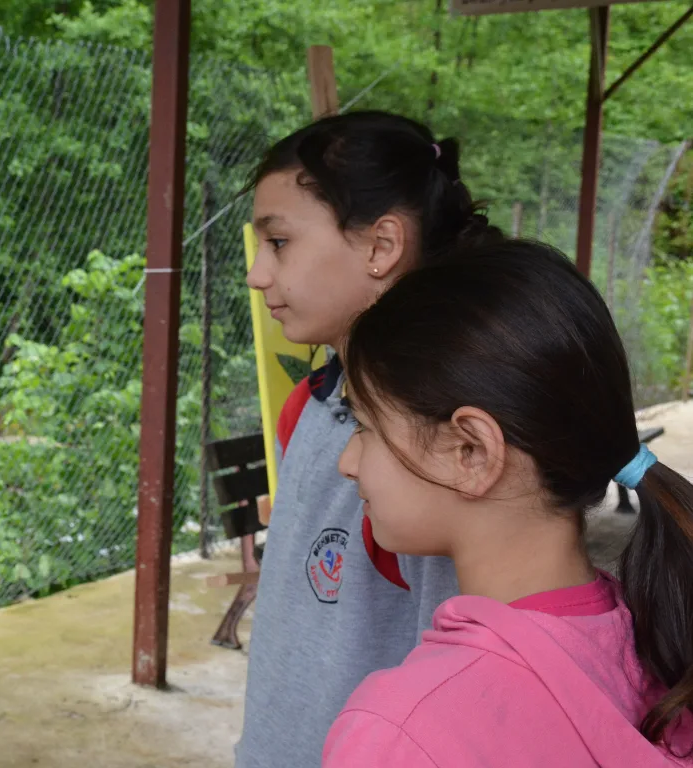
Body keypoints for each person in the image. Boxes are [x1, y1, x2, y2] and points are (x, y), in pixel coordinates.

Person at [324, 240, 693, 766]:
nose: (347, 461)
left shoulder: (404, 732)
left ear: (471, 451)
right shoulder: (660, 645)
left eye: (364, 426)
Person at [236, 111, 501, 768]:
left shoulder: (435, 451)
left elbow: (462, 682)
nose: (257, 275)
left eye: (279, 243)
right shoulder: (309, 406)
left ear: (382, 246)